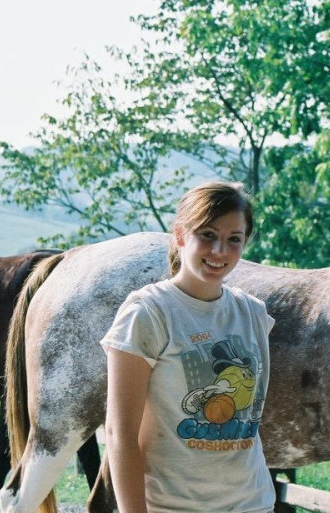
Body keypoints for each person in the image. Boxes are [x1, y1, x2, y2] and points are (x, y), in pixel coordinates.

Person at [101, 181, 276, 513]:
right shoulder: (148, 313)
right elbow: (119, 433)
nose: (220, 251)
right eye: (207, 235)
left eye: (234, 239)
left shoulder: (254, 314)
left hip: (252, 504)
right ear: (180, 235)